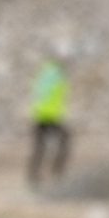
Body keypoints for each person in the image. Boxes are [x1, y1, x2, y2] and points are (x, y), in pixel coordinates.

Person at [27, 53, 73, 188]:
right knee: (64, 142)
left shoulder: (44, 74)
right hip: (51, 116)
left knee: (39, 147)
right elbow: (53, 96)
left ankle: (34, 175)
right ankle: (57, 173)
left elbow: (38, 94)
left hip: (39, 115)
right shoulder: (57, 76)